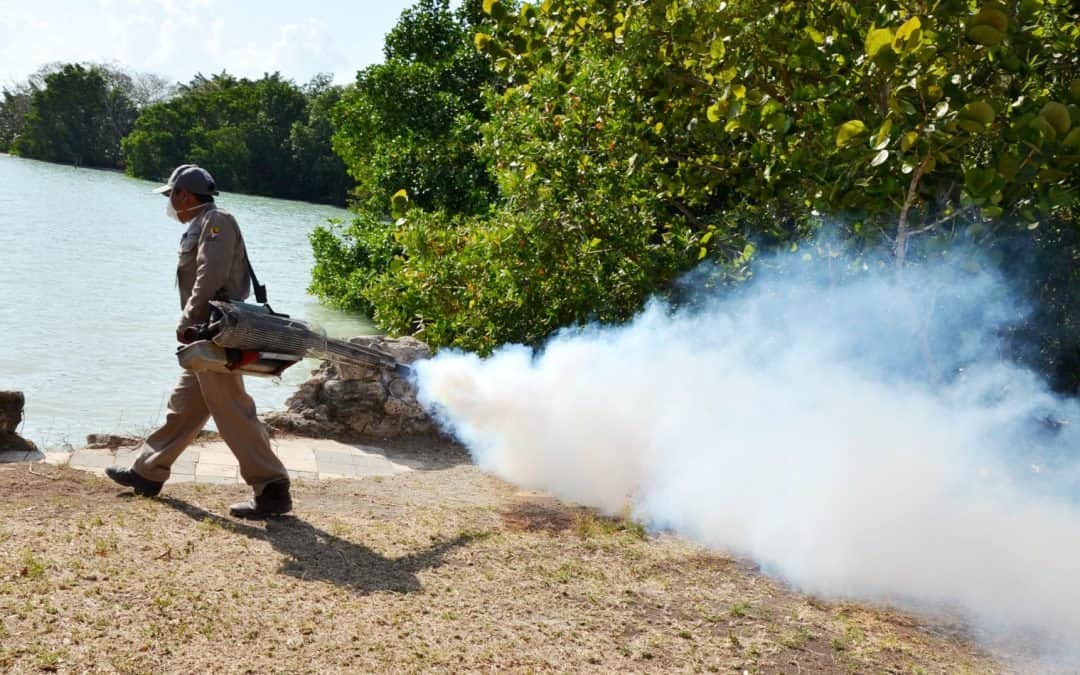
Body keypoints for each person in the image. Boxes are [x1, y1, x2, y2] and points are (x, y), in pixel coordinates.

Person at [106, 164, 292, 519]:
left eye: (171, 196)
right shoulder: (202, 223)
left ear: (185, 195)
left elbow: (211, 272)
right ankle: (148, 472)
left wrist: (188, 317)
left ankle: (272, 487)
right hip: (206, 335)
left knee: (231, 408)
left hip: (214, 331)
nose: (169, 204)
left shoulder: (216, 222)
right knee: (186, 405)